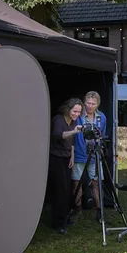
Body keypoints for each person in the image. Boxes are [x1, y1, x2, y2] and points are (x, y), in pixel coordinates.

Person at [48, 98, 84, 234]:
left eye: (79, 112)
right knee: (60, 190)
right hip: (56, 157)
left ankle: (64, 217)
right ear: (68, 109)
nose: (76, 114)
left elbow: (72, 142)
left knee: (67, 189)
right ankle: (57, 222)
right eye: (74, 111)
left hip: (66, 157)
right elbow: (59, 135)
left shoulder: (73, 121)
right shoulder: (58, 119)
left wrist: (72, 157)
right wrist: (74, 131)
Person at [71, 91, 107, 222]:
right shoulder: (78, 115)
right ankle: (77, 209)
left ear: (97, 105)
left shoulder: (101, 117)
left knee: (97, 183)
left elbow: (101, 135)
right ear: (84, 102)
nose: (90, 106)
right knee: (76, 182)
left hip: (94, 155)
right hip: (80, 153)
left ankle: (99, 211)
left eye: (93, 104)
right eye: (88, 103)